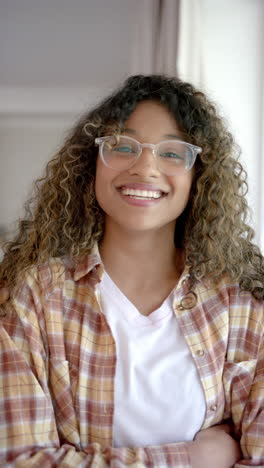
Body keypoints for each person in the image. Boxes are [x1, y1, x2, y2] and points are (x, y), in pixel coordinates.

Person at [0, 74, 263, 468]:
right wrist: (195, 459)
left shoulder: (242, 303)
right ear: (92, 165)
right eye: (122, 146)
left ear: (200, 176)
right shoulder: (32, 296)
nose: (145, 167)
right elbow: (20, 460)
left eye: (173, 153)